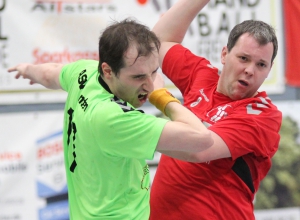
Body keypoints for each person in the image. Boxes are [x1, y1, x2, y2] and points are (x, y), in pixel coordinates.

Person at [8, 19, 213, 220]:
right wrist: (162, 96)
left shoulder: (85, 72)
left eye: (154, 72)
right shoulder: (113, 119)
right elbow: (202, 139)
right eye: (138, 77)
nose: (149, 85)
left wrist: (27, 69)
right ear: (108, 71)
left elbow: (48, 73)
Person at [149, 1, 282, 219]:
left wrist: (160, 97)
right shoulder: (202, 76)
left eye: (261, 65)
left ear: (269, 70)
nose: (250, 70)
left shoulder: (262, 115)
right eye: (243, 58)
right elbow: (158, 42)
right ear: (224, 55)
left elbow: (197, 149)